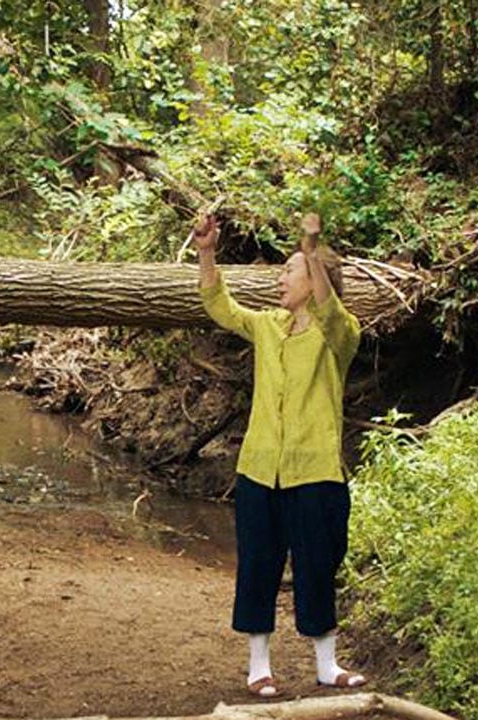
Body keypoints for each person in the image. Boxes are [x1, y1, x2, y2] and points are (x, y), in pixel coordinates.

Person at [194, 212, 367, 697]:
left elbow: (332, 313)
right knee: (258, 566)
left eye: (289, 271)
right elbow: (219, 305)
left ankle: (327, 666)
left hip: (314, 473)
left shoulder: (340, 335)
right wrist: (207, 251)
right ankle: (259, 667)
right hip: (258, 471)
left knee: (317, 565)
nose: (280, 278)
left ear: (314, 281)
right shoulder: (268, 325)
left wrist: (310, 249)